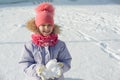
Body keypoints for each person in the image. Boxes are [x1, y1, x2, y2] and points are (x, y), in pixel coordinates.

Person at [19, 2, 72, 80]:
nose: (46, 28)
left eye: (49, 25)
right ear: (37, 26)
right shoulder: (29, 45)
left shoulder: (60, 45)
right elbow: (24, 64)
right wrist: (37, 70)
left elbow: (66, 61)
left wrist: (60, 67)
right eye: (43, 25)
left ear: (53, 26)